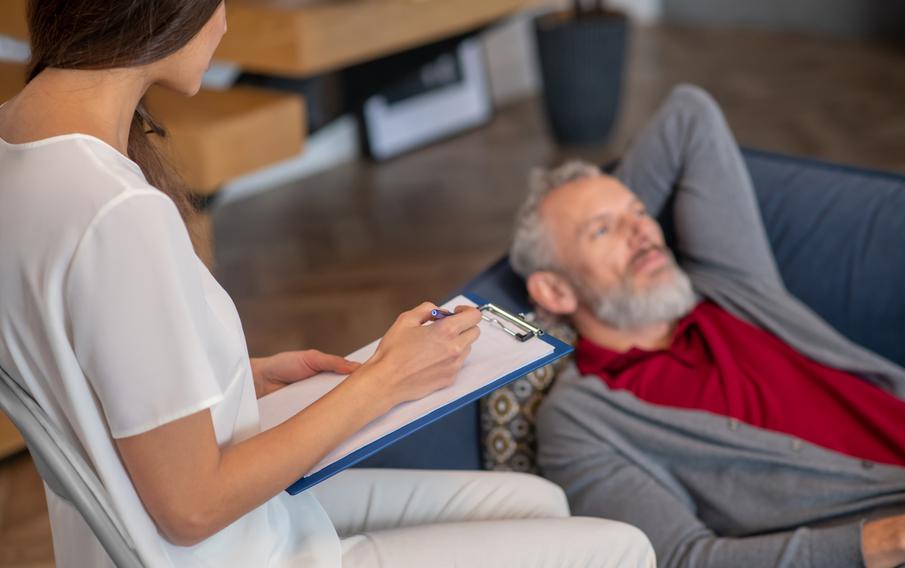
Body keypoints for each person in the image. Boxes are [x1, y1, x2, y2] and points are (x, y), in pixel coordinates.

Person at [0, 1, 658, 567]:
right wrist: (384, 383)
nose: (225, 22)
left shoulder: (19, 146)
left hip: (179, 536)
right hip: (238, 550)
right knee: (622, 548)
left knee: (539, 502)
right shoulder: (118, 215)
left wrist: (234, 378)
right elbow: (191, 509)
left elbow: (85, 368)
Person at [509, 84, 905, 568]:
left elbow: (689, 114)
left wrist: (607, 221)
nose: (643, 231)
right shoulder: (582, 418)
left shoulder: (729, 287)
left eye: (640, 212)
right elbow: (682, 558)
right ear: (554, 292)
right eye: (602, 229)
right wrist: (890, 541)